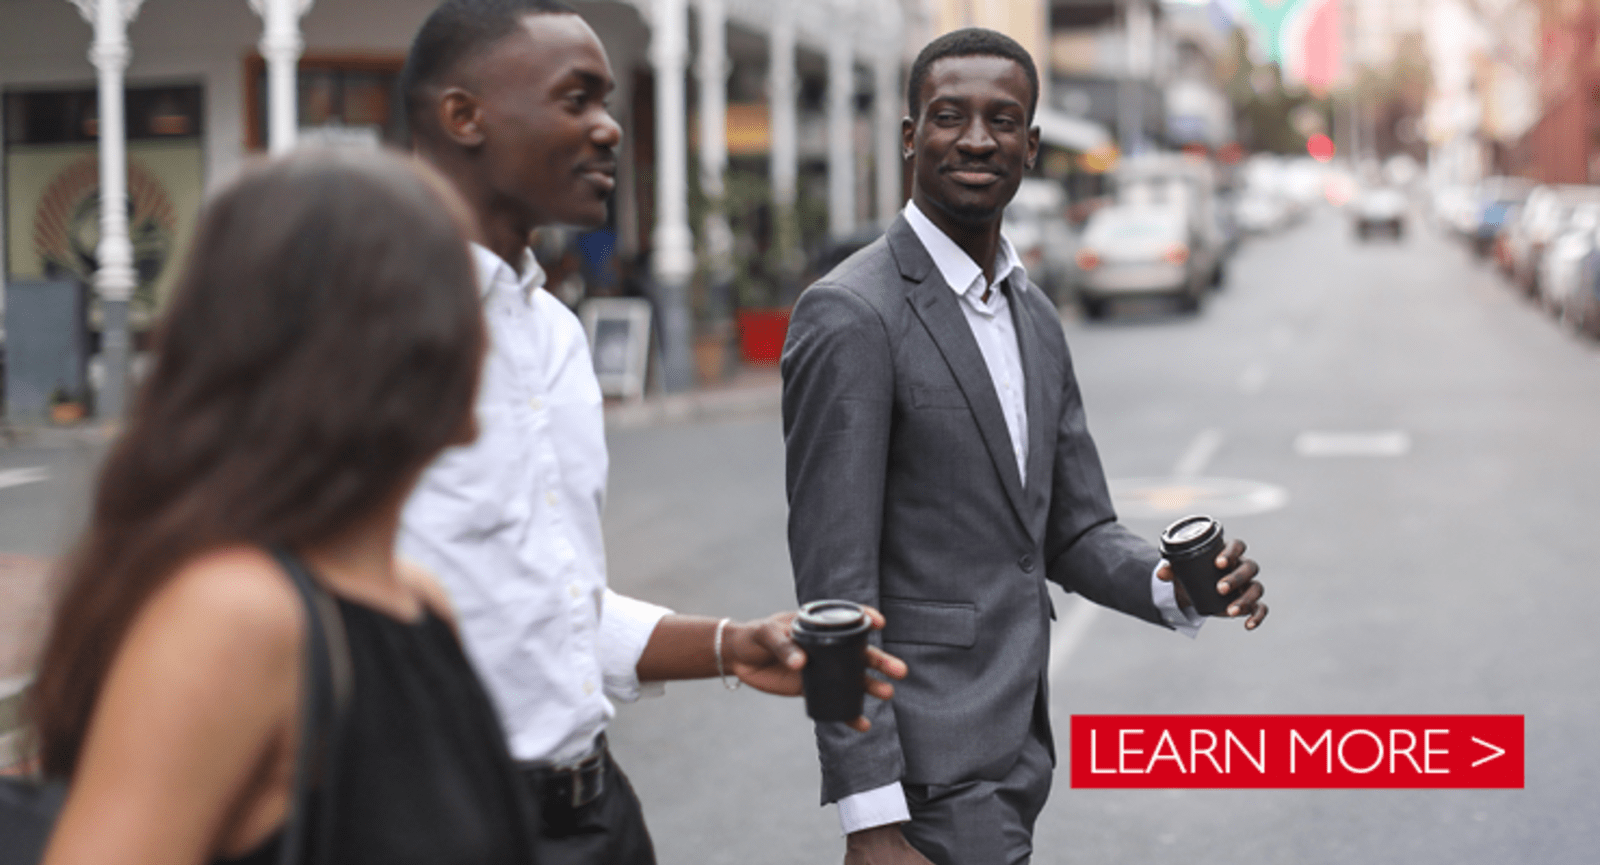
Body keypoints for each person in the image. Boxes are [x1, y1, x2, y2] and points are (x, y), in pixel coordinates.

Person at [394, 3, 905, 864]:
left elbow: (542, 600)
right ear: (463, 116)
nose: (609, 128)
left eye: (609, 100)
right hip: (433, 823)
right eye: (575, 98)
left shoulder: (553, 333)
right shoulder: (359, 324)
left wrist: (729, 645)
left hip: (595, 813)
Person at [780, 28, 1269, 865]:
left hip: (1017, 750)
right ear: (910, 137)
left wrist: (1176, 585)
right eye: (948, 116)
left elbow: (1071, 528)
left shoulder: (1033, 313)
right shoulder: (851, 313)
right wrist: (869, 815)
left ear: (1030, 145)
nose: (976, 138)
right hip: (927, 768)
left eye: (1002, 119)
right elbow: (834, 587)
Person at [29, 149, 537, 864]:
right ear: (393, 343)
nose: (486, 332)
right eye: (458, 295)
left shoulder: (416, 598)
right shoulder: (240, 614)